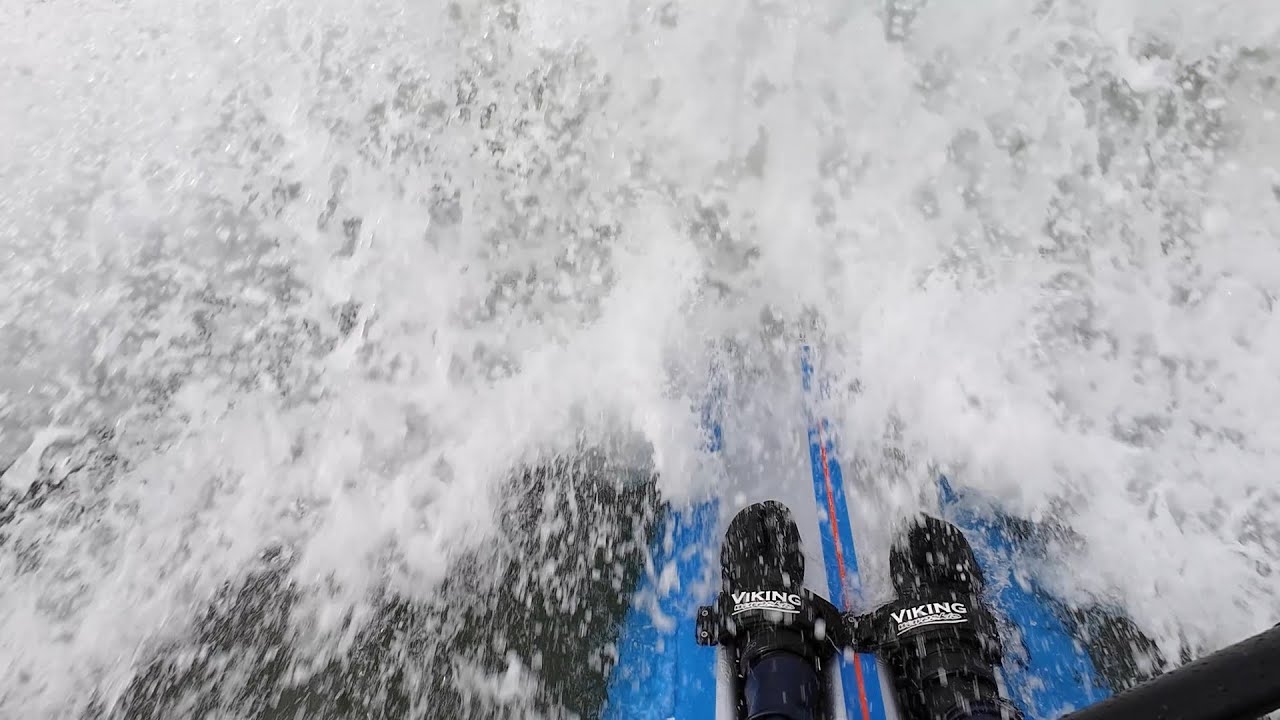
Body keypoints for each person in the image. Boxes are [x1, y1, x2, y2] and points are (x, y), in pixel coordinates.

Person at [698, 501, 1022, 720]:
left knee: (777, 688)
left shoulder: (728, 612)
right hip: (953, 642)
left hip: (769, 630)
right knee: (964, 699)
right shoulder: (981, 623)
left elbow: (849, 632)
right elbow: (850, 632)